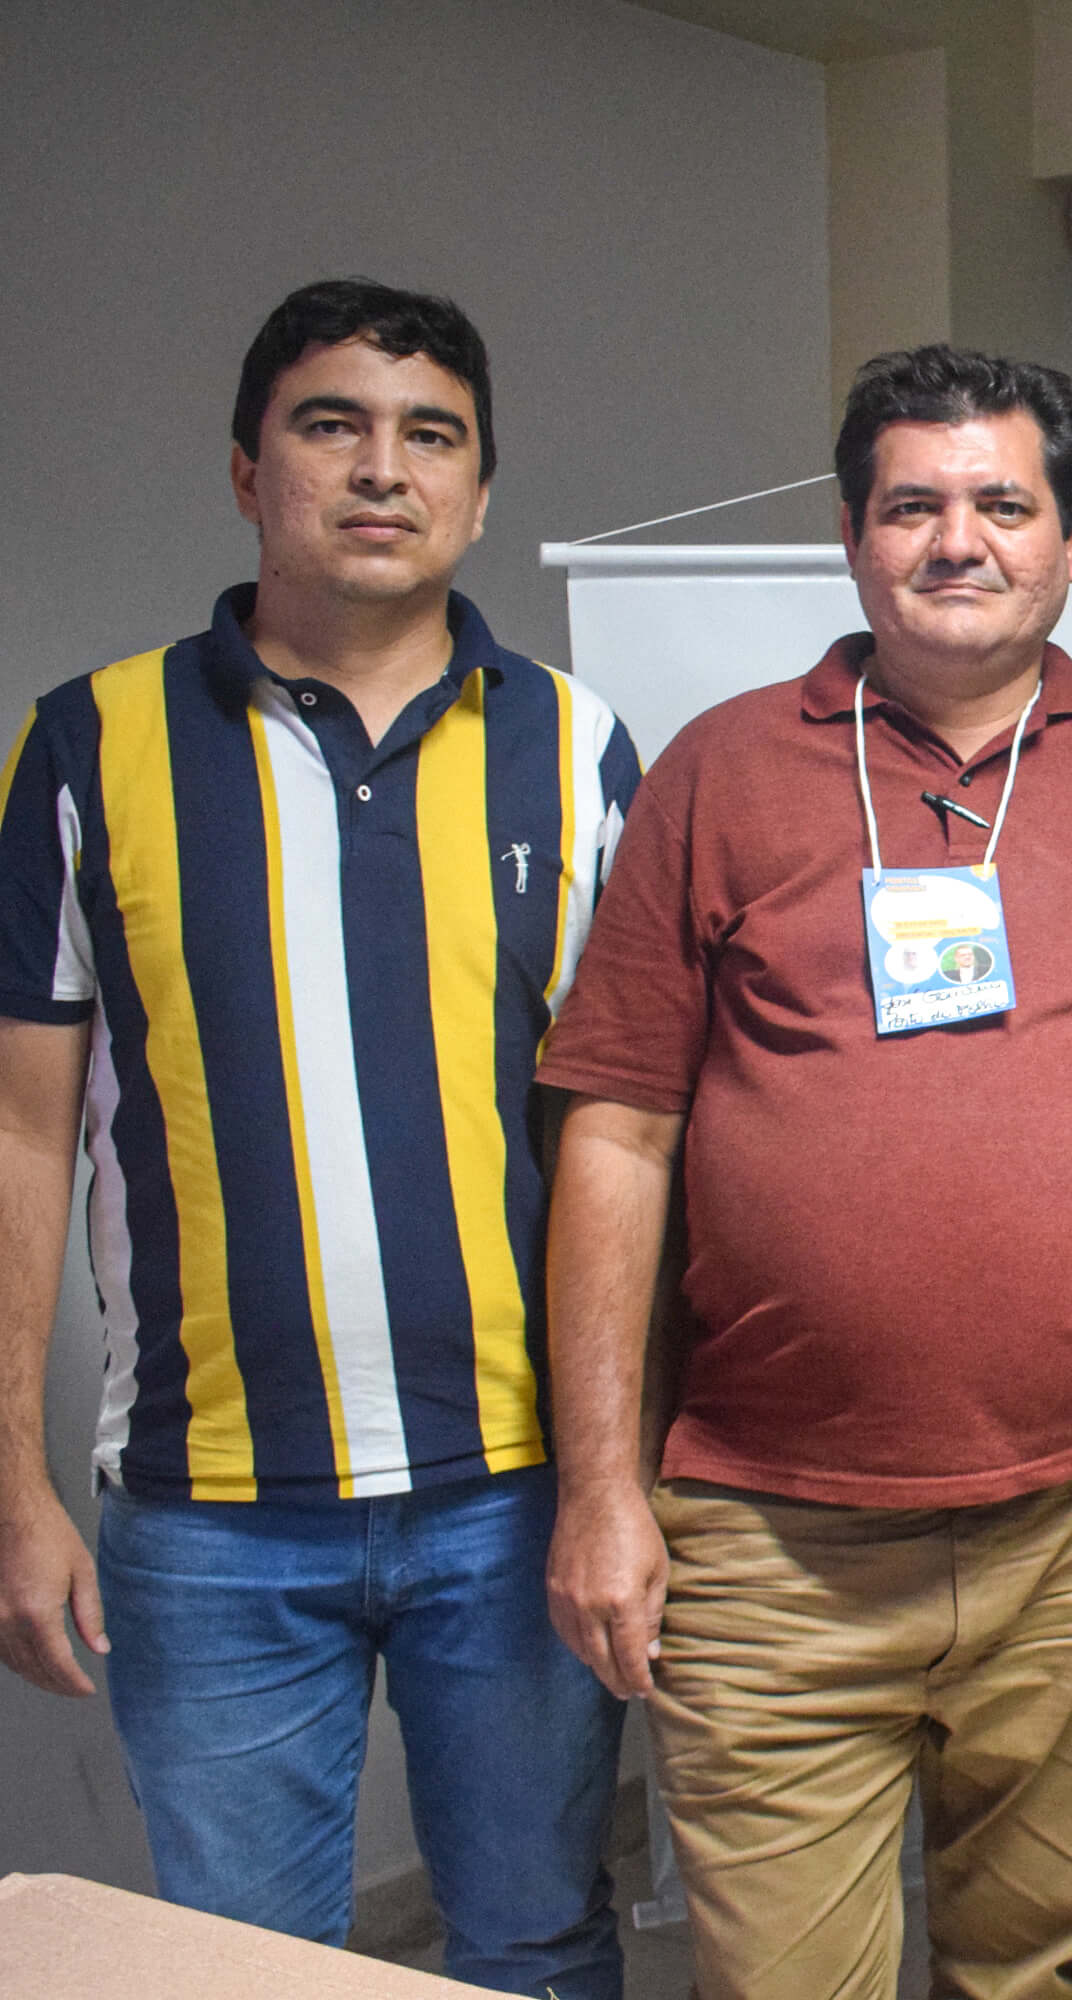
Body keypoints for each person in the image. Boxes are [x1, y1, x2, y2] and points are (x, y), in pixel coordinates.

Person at [538, 346, 1072, 2000]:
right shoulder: (718, 772)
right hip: (771, 1543)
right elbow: (617, 1131)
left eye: (1005, 504)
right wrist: (598, 1491)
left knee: (1037, 1973)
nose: (958, 541)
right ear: (852, 537)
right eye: (913, 506)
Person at [0, 278, 637, 1996]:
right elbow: (20, 1136)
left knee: (535, 1943)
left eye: (431, 435)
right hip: (207, 1509)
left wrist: (621, 1479)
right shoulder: (88, 746)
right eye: (331, 425)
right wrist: (10, 1486)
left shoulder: (574, 750)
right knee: (243, 1971)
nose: (382, 469)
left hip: (514, 1495)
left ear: (479, 492)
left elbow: (624, 1139)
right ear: (247, 469)